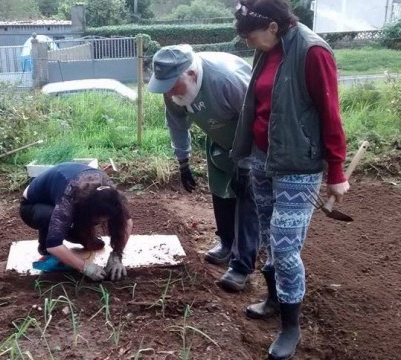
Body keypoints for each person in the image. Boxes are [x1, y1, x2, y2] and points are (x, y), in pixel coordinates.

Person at [231, 1, 350, 359]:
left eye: (251, 37)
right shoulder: (268, 51)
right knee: (269, 237)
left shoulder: (313, 52)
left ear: (271, 26)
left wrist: (336, 172)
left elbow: (330, 112)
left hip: (299, 166)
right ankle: (272, 298)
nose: (248, 44)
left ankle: (290, 327)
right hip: (264, 158)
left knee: (284, 249)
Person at [147, 44, 260, 291]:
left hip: (252, 141)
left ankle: (242, 266)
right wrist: (183, 161)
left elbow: (257, 118)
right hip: (219, 138)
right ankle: (227, 243)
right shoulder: (173, 90)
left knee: (247, 199)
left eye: (172, 85)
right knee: (220, 189)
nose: (168, 92)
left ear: (191, 74)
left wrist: (246, 163)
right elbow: (177, 125)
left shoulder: (227, 80)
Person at [19, 162, 133, 282]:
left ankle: (75, 234)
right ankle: (45, 249)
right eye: (97, 219)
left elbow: (127, 222)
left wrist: (117, 254)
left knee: (90, 240)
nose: (100, 223)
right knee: (49, 217)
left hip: (63, 200)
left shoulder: (113, 197)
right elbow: (54, 246)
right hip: (32, 206)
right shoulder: (69, 196)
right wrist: (84, 267)